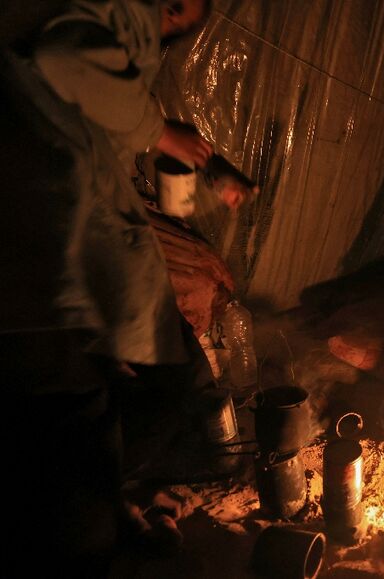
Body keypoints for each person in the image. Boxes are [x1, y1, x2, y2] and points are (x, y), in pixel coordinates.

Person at [0, 1, 247, 575]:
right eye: (175, 12)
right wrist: (160, 132)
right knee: (78, 415)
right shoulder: (80, 24)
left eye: (177, 23)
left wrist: (207, 164)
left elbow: (116, 113)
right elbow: (71, 61)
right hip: (34, 258)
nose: (165, 20)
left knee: (98, 404)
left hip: (58, 255)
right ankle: (89, 537)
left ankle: (104, 513)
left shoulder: (107, 49)